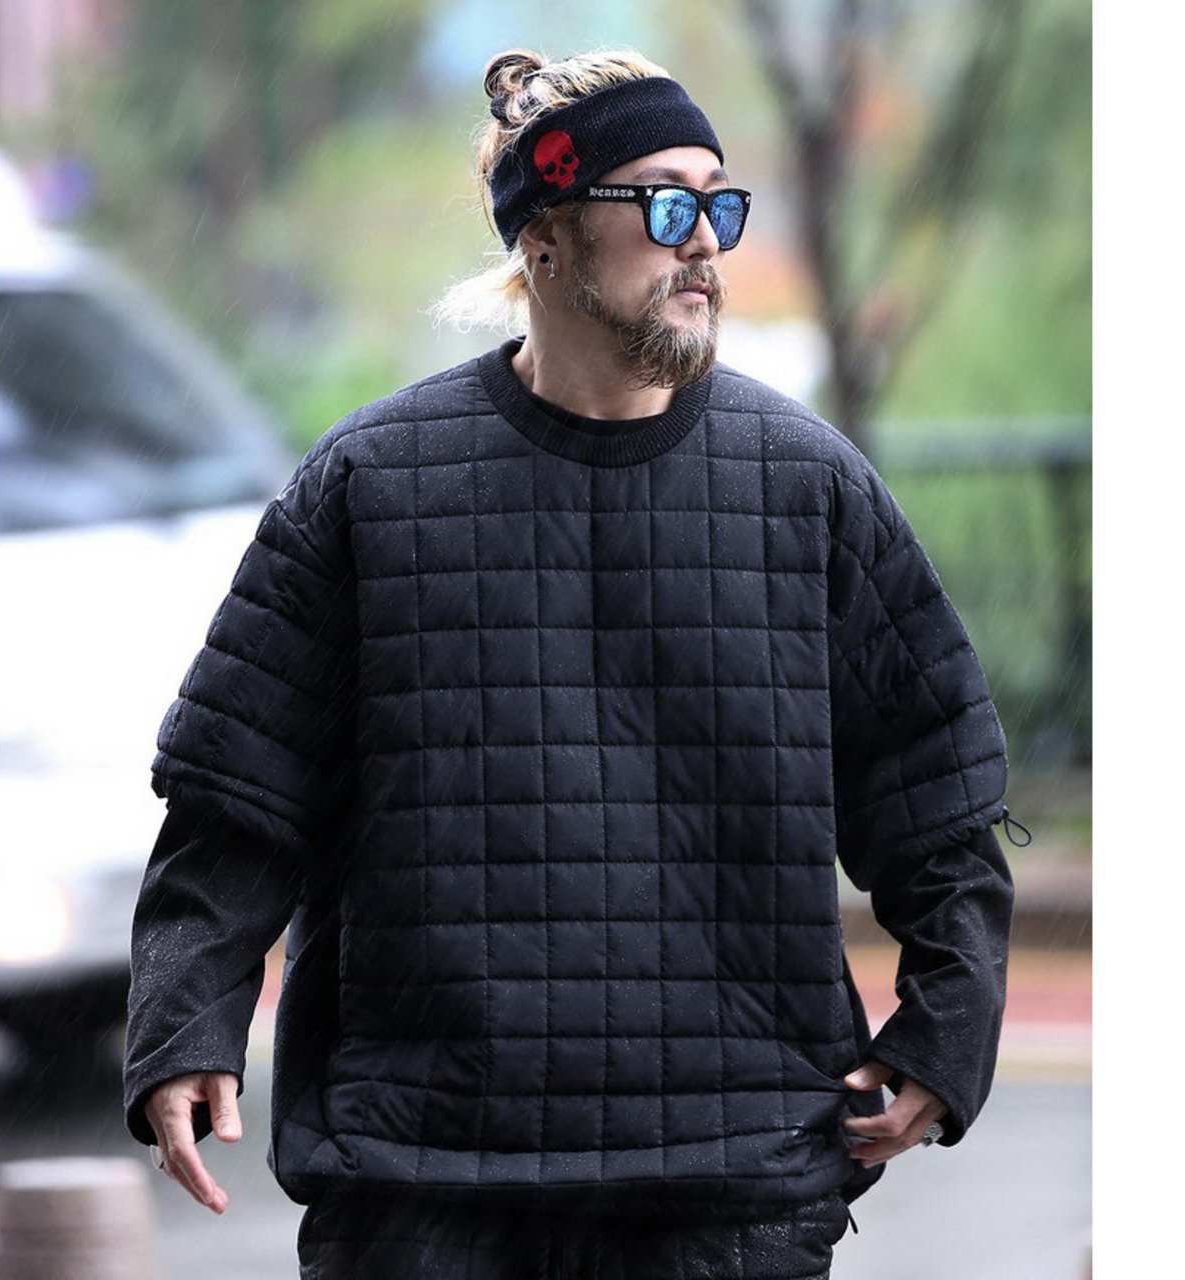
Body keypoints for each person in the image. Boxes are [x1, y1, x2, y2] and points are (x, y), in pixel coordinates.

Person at [123, 47, 1015, 1280]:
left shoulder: (806, 485)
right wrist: (184, 1021)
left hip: (730, 1183)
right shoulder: (371, 485)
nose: (703, 245)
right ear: (543, 235)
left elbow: (936, 797)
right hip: (419, 1182)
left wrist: (946, 1029)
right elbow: (238, 796)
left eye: (716, 204)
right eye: (662, 204)